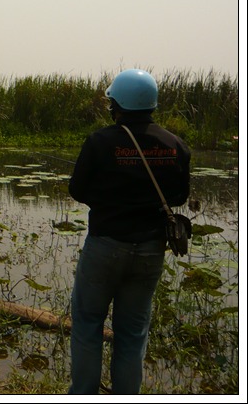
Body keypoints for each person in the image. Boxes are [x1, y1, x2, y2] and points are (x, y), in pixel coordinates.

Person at [67, 68, 191, 395]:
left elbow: (77, 190)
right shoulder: (176, 145)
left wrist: (111, 202)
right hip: (151, 250)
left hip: (105, 246)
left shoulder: (99, 141)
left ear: (118, 103)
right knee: (133, 333)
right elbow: (179, 196)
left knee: (88, 325)